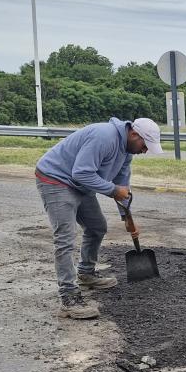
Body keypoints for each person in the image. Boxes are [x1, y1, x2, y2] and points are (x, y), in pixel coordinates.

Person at [35, 117, 162, 319]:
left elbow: (122, 183)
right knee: (65, 239)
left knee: (97, 227)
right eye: (145, 145)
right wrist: (112, 190)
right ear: (134, 134)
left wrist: (127, 218)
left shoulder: (126, 150)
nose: (145, 151)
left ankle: (86, 273)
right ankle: (68, 298)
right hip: (56, 179)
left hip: (79, 184)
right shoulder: (104, 137)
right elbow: (81, 173)